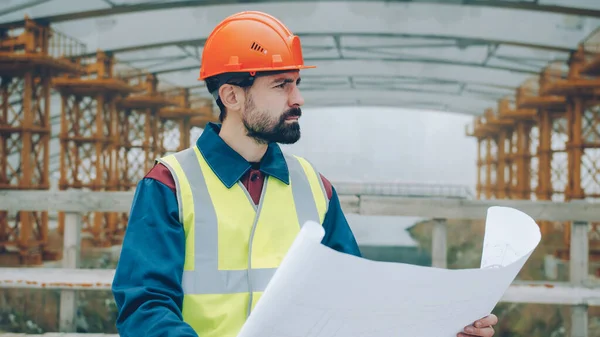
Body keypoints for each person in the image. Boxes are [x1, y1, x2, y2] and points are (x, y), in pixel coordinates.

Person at [111, 10, 498, 337]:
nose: (298, 99)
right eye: (281, 85)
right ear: (231, 96)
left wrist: (441, 325)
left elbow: (356, 299)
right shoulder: (169, 184)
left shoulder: (315, 188)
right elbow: (145, 307)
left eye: (296, 84)